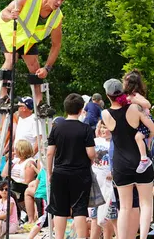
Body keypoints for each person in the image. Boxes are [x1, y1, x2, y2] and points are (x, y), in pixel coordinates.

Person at [101, 80, 154, 239]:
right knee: (145, 204)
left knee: (124, 208)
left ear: (107, 95)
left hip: (120, 163)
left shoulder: (105, 114)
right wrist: (145, 136)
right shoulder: (134, 108)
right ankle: (144, 236)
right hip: (141, 161)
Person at [0, 0, 67, 105]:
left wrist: (47, 68)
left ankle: (39, 103)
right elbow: (4, 13)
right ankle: (3, 96)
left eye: (62, 0)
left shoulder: (57, 16)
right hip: (9, 30)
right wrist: (11, 15)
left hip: (27, 37)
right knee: (12, 59)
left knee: (35, 66)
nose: (59, 3)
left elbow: (56, 45)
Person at [47, 93, 97, 239]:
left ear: (65, 108)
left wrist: (49, 173)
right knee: (80, 209)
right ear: (81, 109)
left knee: (59, 209)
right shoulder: (86, 129)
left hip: (60, 172)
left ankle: (59, 237)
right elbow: (91, 153)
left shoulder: (56, 128)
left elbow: (50, 153)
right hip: (80, 173)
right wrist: (93, 159)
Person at [123, 69, 154, 173]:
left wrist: (135, 101)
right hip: (142, 122)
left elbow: (148, 104)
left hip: (145, 122)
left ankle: (144, 159)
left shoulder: (136, 95)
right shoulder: (130, 95)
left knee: (138, 137)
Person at [2, 139, 36, 204]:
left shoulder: (29, 162)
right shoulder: (16, 161)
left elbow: (27, 182)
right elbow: (4, 175)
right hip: (10, 186)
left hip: (19, 189)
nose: (14, 151)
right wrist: (9, 160)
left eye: (16, 149)